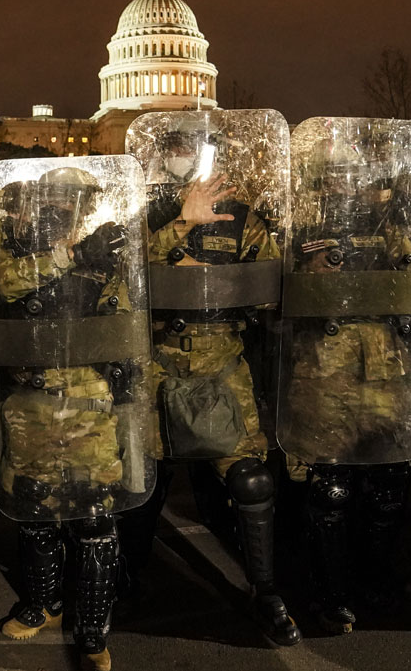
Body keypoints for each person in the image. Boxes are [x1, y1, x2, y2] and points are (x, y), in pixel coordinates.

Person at [129, 117, 300, 645]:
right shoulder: (145, 215)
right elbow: (125, 273)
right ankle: (127, 578)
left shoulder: (244, 220)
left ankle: (266, 590)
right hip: (155, 362)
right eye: (173, 148)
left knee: (250, 478)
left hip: (220, 362)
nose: (181, 156)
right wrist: (181, 224)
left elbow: (268, 284)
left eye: (190, 147)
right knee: (144, 480)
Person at [280, 119, 411, 634]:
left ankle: (378, 578)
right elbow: (269, 291)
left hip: (386, 366)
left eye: (350, 177)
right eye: (331, 178)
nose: (342, 186)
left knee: (390, 481)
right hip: (324, 369)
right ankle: (331, 591)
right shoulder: (296, 227)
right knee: (331, 486)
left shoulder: (390, 222)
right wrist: (311, 278)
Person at [0, 164, 149, 671]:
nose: (60, 210)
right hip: (32, 405)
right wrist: (72, 254)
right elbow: (7, 286)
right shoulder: (18, 254)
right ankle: (44, 605)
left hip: (89, 407)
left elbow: (126, 320)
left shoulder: (109, 260)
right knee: (36, 511)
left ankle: (94, 628)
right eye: (52, 200)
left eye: (70, 201)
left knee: (95, 517)